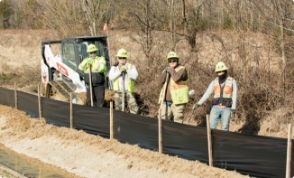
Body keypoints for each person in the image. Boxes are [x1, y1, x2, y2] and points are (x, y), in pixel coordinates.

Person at [194, 61, 237, 131]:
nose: (220, 73)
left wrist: (233, 107)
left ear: (225, 71)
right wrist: (199, 103)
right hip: (215, 108)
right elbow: (207, 93)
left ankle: (223, 142)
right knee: (211, 128)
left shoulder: (232, 81)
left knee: (225, 128)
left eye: (222, 71)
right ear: (216, 73)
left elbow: (234, 95)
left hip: (227, 108)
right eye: (218, 72)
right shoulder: (214, 82)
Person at [158, 51, 189, 123]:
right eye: (170, 60)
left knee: (177, 120)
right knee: (163, 120)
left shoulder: (182, 69)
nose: (172, 62)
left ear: (177, 60)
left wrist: (171, 70)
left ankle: (177, 134)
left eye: (174, 60)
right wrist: (165, 72)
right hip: (165, 101)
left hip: (178, 101)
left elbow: (176, 78)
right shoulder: (167, 70)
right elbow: (160, 82)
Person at [108, 48, 139, 114]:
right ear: (118, 58)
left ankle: (134, 122)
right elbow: (111, 77)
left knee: (134, 109)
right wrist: (119, 71)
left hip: (129, 92)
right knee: (118, 110)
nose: (122, 59)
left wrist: (127, 70)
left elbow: (135, 76)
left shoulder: (131, 67)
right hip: (118, 92)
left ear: (126, 58)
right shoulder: (114, 68)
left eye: (123, 58)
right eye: (120, 58)